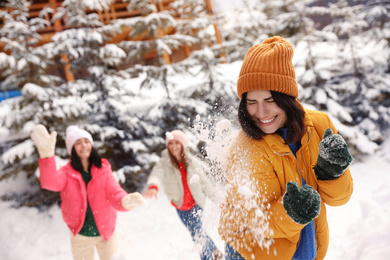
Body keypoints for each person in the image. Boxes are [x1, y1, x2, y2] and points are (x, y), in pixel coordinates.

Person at [218, 36, 354, 260]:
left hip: (309, 249)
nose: (261, 113)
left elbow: (339, 199)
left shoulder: (319, 125)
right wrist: (290, 213)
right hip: (254, 253)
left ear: (287, 97)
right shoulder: (245, 148)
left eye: (270, 100)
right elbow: (249, 220)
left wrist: (332, 173)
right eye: (251, 102)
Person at [31, 124, 146, 260]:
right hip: (80, 235)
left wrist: (125, 201)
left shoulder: (103, 169)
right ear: (72, 149)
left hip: (106, 233)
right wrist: (46, 156)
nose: (83, 146)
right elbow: (50, 183)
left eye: (86, 141)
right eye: (78, 143)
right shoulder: (67, 173)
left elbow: (114, 192)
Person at [143, 129, 223, 260]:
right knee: (197, 232)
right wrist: (153, 185)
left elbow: (205, 183)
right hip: (180, 206)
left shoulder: (192, 162)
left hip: (196, 203)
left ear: (182, 144)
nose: (173, 146)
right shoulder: (164, 162)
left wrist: (217, 200)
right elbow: (156, 174)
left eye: (177, 143)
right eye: (171, 143)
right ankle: (215, 252)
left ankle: (207, 257)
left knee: (197, 234)